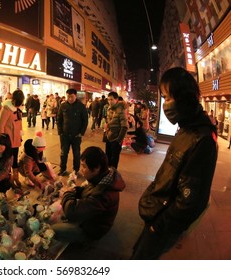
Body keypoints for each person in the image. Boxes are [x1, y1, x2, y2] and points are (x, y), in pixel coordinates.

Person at [131, 67, 218, 260]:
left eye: (168, 98)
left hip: (162, 222)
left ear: (185, 98)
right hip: (157, 211)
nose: (165, 105)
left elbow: (190, 200)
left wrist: (158, 226)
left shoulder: (201, 139)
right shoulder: (186, 130)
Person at [51, 146, 125, 243]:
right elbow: (88, 190)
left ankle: (82, 243)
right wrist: (75, 190)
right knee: (62, 213)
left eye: (84, 166)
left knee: (52, 230)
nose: (81, 170)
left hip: (93, 229)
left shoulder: (103, 194)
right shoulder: (103, 177)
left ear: (97, 168)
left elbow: (72, 212)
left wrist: (68, 193)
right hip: (91, 218)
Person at [0, 89, 25, 192]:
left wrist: (20, 135)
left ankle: (16, 178)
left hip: (16, 139)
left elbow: (20, 123)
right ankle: (9, 179)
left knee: (14, 160)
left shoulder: (18, 109)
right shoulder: (6, 108)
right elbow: (1, 126)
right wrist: (1, 141)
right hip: (7, 141)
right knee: (7, 161)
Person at [57, 88, 88, 176]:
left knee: (76, 154)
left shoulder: (81, 106)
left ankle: (76, 170)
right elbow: (59, 119)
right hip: (65, 135)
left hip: (76, 136)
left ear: (75, 96)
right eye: (68, 97)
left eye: (71, 96)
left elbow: (85, 121)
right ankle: (62, 169)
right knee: (63, 153)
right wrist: (60, 132)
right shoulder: (63, 106)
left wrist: (81, 133)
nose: (70, 99)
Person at [104, 91, 128, 169]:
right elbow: (109, 121)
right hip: (109, 136)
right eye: (108, 100)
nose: (110, 102)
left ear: (116, 99)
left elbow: (124, 127)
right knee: (107, 158)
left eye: (111, 99)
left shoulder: (120, 110)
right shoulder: (109, 108)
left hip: (116, 139)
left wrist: (118, 140)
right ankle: (107, 175)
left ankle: (113, 175)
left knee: (114, 160)